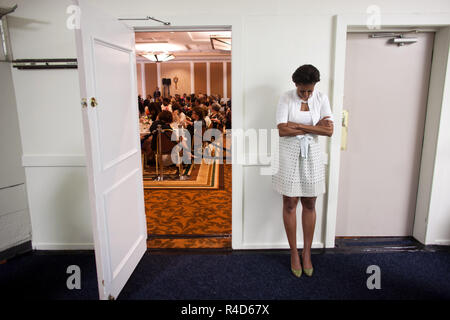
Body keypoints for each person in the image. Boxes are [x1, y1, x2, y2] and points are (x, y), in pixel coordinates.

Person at [272, 64, 334, 278]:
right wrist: (314, 126)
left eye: (310, 90)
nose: (306, 95)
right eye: (302, 91)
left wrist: (298, 126)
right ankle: (293, 253)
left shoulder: (321, 98)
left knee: (310, 202)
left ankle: (306, 252)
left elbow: (330, 130)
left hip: (312, 154)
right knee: (290, 202)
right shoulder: (286, 97)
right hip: (288, 152)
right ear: (295, 85)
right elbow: (281, 129)